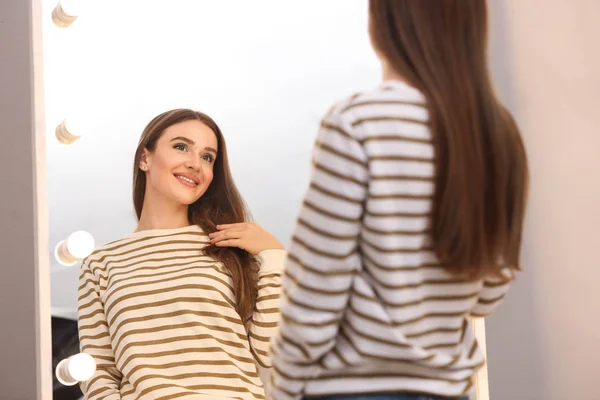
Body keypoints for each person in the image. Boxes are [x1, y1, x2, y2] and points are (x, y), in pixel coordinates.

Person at [267, 1, 528, 399]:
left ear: (383, 22)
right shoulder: (498, 134)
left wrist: (283, 387)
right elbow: (487, 294)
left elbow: (316, 291)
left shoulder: (356, 122)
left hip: (353, 390)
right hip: (449, 390)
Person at [77, 108, 286, 400]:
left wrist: (274, 254)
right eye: (181, 147)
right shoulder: (101, 262)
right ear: (144, 158)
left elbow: (275, 352)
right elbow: (98, 371)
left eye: (207, 157)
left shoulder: (229, 247)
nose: (195, 164)